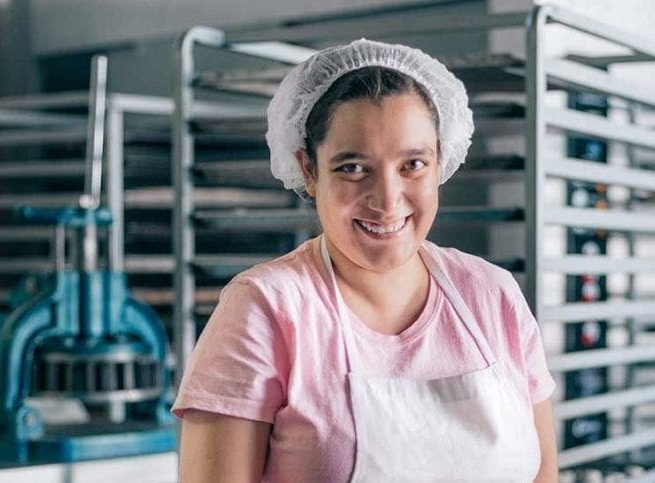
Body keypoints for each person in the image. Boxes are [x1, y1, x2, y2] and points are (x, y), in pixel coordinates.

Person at [172, 38, 559, 482]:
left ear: (440, 163)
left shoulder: (493, 296)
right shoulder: (264, 308)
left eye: (412, 164)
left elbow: (544, 475)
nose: (387, 200)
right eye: (353, 167)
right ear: (309, 170)